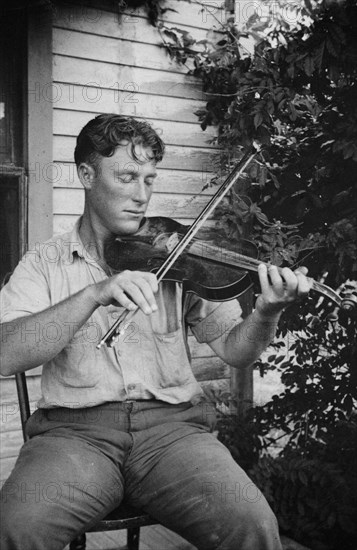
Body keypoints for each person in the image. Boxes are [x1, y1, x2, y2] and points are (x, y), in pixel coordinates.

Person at [0, 114, 312, 550]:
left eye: (150, 179)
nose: (142, 195)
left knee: (252, 523)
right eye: (127, 177)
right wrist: (93, 293)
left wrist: (266, 313)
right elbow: (6, 354)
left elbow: (235, 350)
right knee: (16, 527)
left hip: (174, 435)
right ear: (86, 175)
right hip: (74, 437)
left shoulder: (177, 254)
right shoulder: (44, 263)